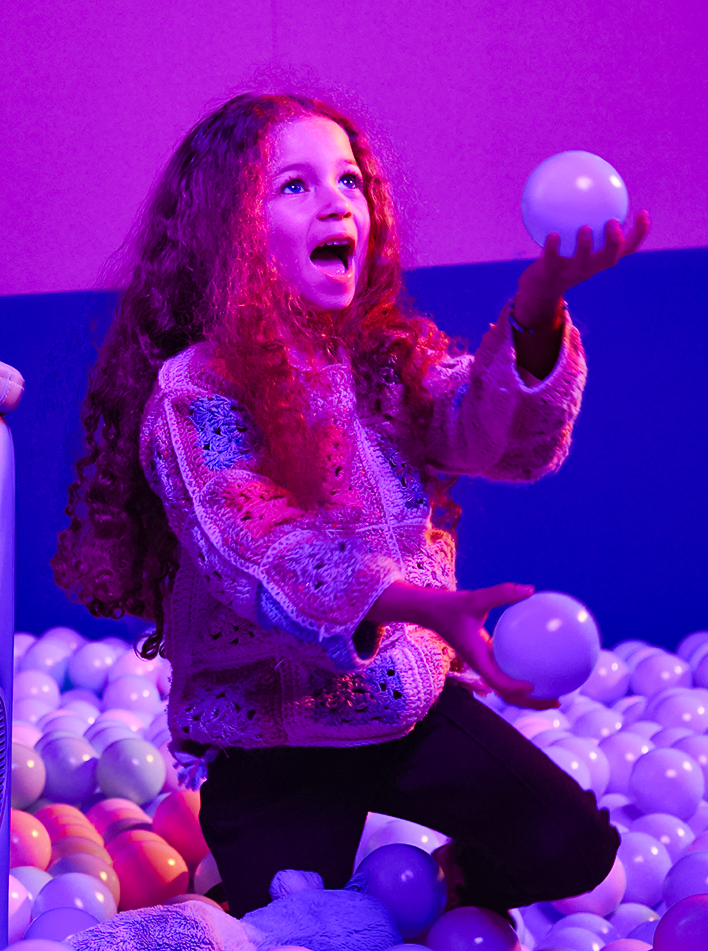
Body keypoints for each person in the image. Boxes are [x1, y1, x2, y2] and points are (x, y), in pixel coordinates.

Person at [52, 92, 649, 918]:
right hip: (271, 740)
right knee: (294, 925)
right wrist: (423, 603)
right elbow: (258, 546)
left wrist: (539, 304)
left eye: (349, 181)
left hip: (400, 706)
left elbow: (490, 432)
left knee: (573, 845)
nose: (336, 201)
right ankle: (246, 891)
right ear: (227, 234)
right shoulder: (198, 394)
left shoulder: (385, 361)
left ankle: (439, 892)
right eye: (293, 186)